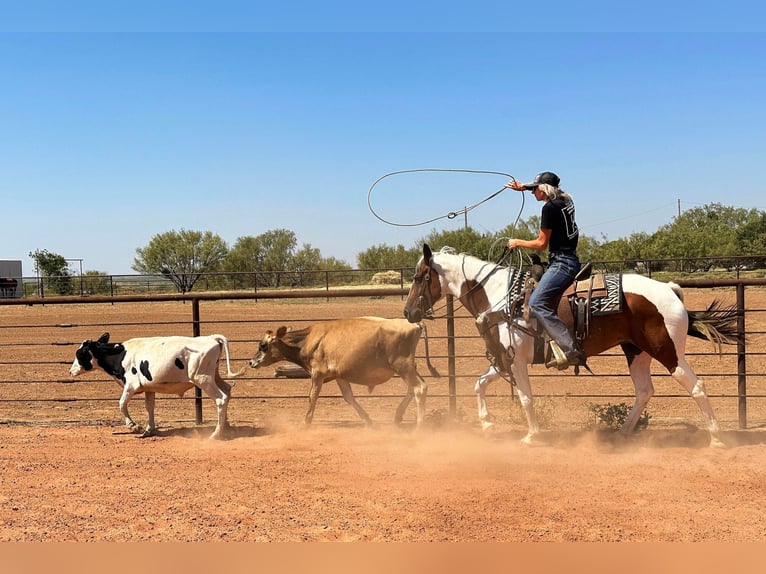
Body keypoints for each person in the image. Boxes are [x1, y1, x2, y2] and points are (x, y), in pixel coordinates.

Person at [505, 171, 587, 369]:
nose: (533, 193)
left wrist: (518, 242)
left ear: (545, 189)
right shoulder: (565, 200)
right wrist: (522, 187)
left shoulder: (549, 208)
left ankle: (569, 349)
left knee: (536, 303)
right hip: (570, 258)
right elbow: (549, 188)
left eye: (536, 189)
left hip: (562, 263)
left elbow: (542, 244)